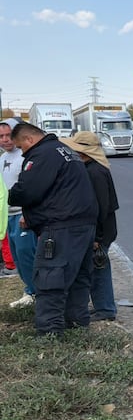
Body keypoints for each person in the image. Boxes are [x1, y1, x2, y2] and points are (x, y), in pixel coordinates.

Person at [8, 122, 98, 336]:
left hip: (60, 228)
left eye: (21, 147)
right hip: (82, 226)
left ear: (29, 140)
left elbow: (29, 190)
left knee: (51, 279)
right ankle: (76, 324)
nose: (22, 153)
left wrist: (11, 196)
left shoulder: (42, 154)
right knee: (77, 278)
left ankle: (49, 332)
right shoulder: (65, 150)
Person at [60, 132, 120, 322]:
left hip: (100, 231)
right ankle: (103, 306)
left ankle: (106, 308)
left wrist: (97, 238)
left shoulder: (94, 172)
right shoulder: (94, 168)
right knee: (96, 267)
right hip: (100, 230)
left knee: (99, 268)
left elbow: (101, 208)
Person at [0, 118, 38, 307]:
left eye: (8, 135)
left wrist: (27, 212)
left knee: (27, 253)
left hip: (24, 214)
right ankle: (30, 291)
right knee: (16, 258)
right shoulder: (2, 159)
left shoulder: (24, 156)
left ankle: (38, 292)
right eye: (1, 136)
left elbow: (31, 187)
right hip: (7, 215)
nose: (5, 140)